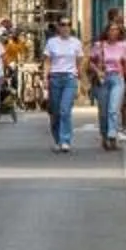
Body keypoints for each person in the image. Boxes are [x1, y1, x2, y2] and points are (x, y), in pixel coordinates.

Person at [43, 16, 86, 153]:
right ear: (58, 27)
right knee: (55, 112)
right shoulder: (52, 42)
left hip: (69, 78)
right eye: (62, 24)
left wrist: (81, 81)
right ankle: (57, 139)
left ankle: (65, 140)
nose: (65, 27)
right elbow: (48, 62)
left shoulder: (76, 43)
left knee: (65, 110)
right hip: (55, 77)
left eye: (68, 24)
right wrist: (45, 78)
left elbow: (79, 63)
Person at [93, 11, 126, 150]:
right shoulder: (99, 45)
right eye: (111, 30)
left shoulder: (123, 45)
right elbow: (90, 62)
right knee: (103, 111)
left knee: (113, 109)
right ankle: (105, 135)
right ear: (107, 32)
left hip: (117, 79)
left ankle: (112, 136)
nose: (114, 32)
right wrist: (97, 70)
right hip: (102, 80)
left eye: (116, 30)